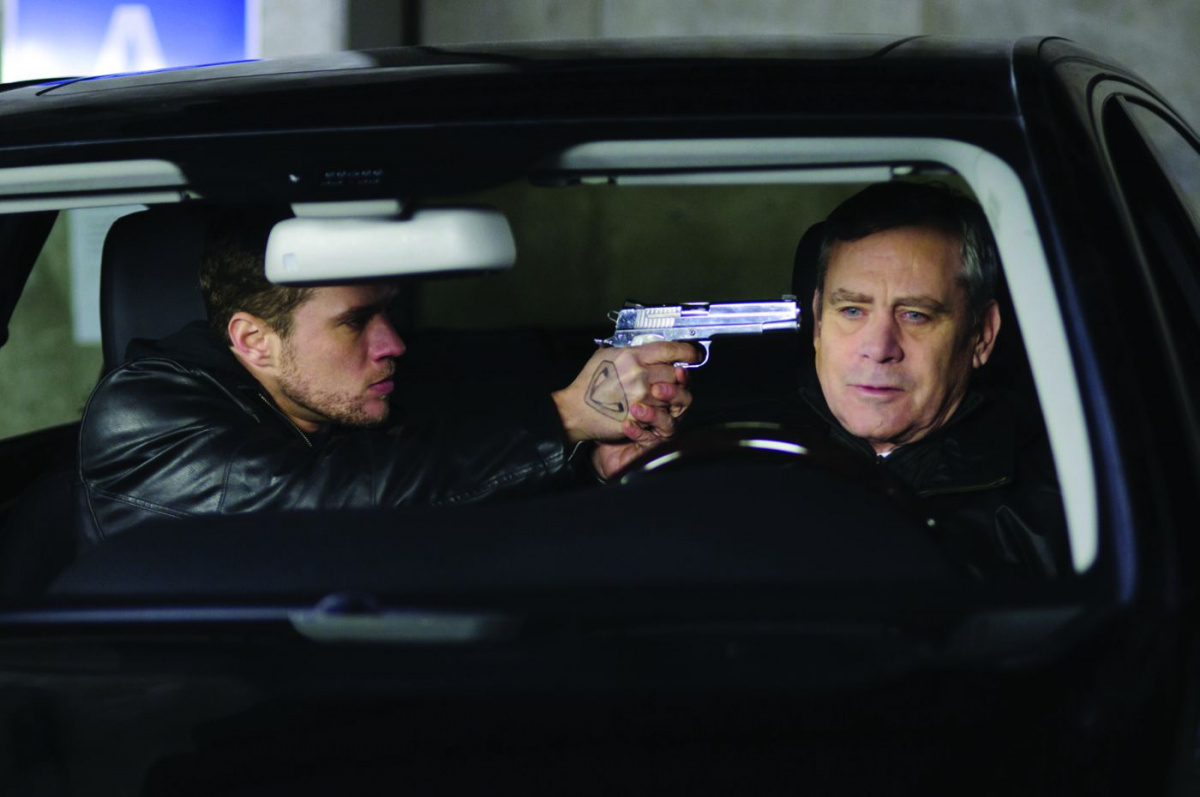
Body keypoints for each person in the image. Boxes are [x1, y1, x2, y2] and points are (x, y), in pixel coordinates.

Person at [78, 211, 696, 544]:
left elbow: (444, 496)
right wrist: (563, 418)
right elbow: (323, 502)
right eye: (354, 322)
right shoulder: (142, 411)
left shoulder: (351, 401)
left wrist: (589, 468)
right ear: (254, 342)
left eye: (389, 313)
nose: (393, 345)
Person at [744, 182, 1068, 584]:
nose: (879, 349)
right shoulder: (729, 454)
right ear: (819, 321)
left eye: (915, 315)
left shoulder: (1060, 501)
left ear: (982, 335)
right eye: (852, 310)